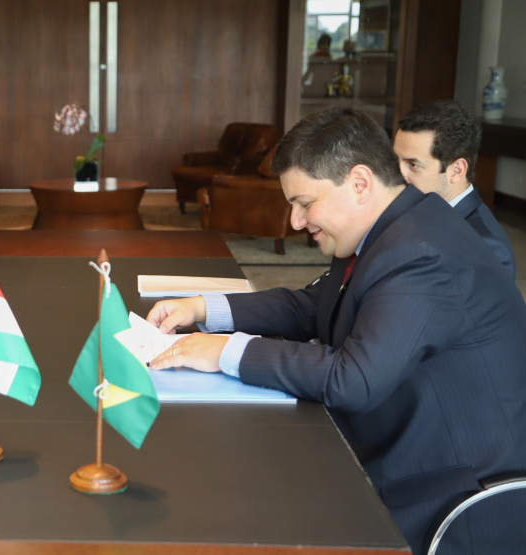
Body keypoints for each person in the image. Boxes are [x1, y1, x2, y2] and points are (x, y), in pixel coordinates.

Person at [147, 106, 526, 554]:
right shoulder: (389, 227)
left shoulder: (422, 253)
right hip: (395, 445)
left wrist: (224, 351)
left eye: (305, 203)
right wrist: (203, 308)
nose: (295, 222)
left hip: (445, 490)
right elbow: (314, 305)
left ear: (360, 183)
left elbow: (355, 379)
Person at [394, 99, 515, 277]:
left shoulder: (487, 247)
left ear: (456, 170)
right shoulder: (413, 206)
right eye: (395, 160)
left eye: (413, 164)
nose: (397, 174)